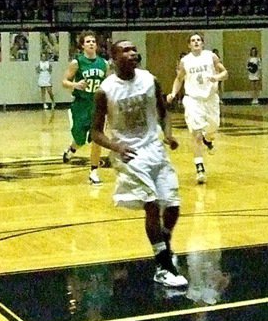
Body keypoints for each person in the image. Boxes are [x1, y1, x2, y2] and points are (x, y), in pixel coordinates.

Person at [90, 40, 187, 289]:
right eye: (126, 50)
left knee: (173, 205)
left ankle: (163, 245)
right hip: (129, 154)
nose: (133, 53)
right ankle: (163, 265)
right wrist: (116, 147)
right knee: (152, 204)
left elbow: (163, 112)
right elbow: (96, 133)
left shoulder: (148, 80)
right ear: (113, 57)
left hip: (154, 148)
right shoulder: (105, 90)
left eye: (134, 49)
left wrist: (168, 134)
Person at [167, 32, 227, 185]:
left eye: (198, 40)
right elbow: (179, 78)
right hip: (193, 99)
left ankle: (209, 140)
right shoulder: (185, 61)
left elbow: (225, 73)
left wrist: (217, 77)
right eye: (193, 40)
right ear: (189, 45)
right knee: (196, 134)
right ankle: (199, 168)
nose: (196, 42)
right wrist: (173, 93)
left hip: (211, 98)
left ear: (202, 43)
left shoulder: (211, 56)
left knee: (213, 128)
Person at [62, 30, 109, 184]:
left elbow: (109, 84)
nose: (91, 44)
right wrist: (76, 84)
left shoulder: (104, 63)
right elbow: (64, 82)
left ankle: (94, 171)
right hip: (81, 106)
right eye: (88, 41)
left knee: (97, 138)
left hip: (97, 106)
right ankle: (72, 149)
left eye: (93, 41)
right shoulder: (77, 63)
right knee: (80, 138)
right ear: (82, 45)